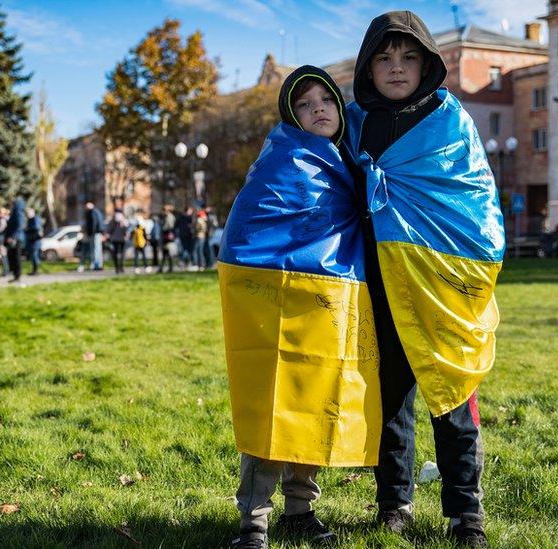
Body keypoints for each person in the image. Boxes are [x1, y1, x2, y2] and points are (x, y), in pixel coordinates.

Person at [346, 12, 505, 547]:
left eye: (408, 57)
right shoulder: (353, 122)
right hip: (377, 282)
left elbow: (474, 202)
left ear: (427, 64)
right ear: (368, 67)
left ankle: (467, 515)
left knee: (453, 395)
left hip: (438, 286)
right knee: (390, 400)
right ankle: (395, 504)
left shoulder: (448, 120)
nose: (395, 68)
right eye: (384, 58)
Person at [220, 66, 375, 549]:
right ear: (292, 116)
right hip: (273, 300)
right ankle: (255, 521)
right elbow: (250, 228)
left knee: (312, 400)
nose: (318, 109)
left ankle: (301, 509)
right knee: (270, 403)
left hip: (327, 296)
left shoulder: (347, 161)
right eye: (305, 104)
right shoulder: (279, 160)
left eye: (325, 100)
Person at [4, 197, 27, 282]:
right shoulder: (16, 212)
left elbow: (19, 226)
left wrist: (12, 237)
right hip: (16, 238)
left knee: (17, 257)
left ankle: (17, 276)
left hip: (17, 239)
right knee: (13, 257)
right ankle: (15, 275)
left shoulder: (18, 213)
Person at [80, 201, 105, 272]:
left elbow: (94, 223)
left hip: (94, 233)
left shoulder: (92, 213)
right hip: (97, 232)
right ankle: (99, 265)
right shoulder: (97, 212)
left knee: (95, 249)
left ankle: (96, 265)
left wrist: (90, 232)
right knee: (98, 249)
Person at [106, 207, 129, 274]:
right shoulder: (122, 220)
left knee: (116, 254)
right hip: (120, 239)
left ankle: (118, 268)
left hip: (116, 239)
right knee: (121, 254)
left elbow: (109, 230)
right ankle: (120, 268)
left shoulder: (113, 220)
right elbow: (126, 230)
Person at [25, 208, 44, 275]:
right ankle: (34, 270)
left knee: (35, 256)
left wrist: (27, 229)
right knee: (33, 256)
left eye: (28, 214)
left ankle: (36, 271)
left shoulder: (35, 219)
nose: (27, 215)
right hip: (33, 241)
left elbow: (36, 229)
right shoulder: (31, 220)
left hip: (35, 241)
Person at [159, 205, 176, 274]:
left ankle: (169, 268)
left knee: (167, 252)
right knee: (165, 253)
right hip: (166, 236)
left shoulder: (170, 217)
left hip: (167, 236)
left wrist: (164, 230)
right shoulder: (166, 217)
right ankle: (163, 268)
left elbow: (169, 227)